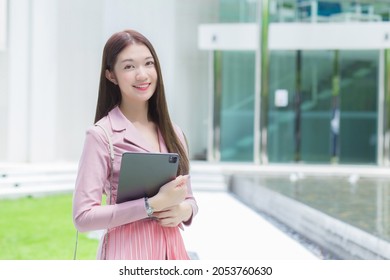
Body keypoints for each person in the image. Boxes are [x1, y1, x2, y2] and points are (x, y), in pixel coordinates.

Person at [72, 29, 198, 260]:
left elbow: (189, 199)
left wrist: (183, 210)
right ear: (111, 75)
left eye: (148, 64)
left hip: (173, 254)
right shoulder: (101, 135)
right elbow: (83, 217)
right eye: (129, 67)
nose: (142, 75)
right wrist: (150, 205)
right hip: (127, 255)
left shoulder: (174, 133)